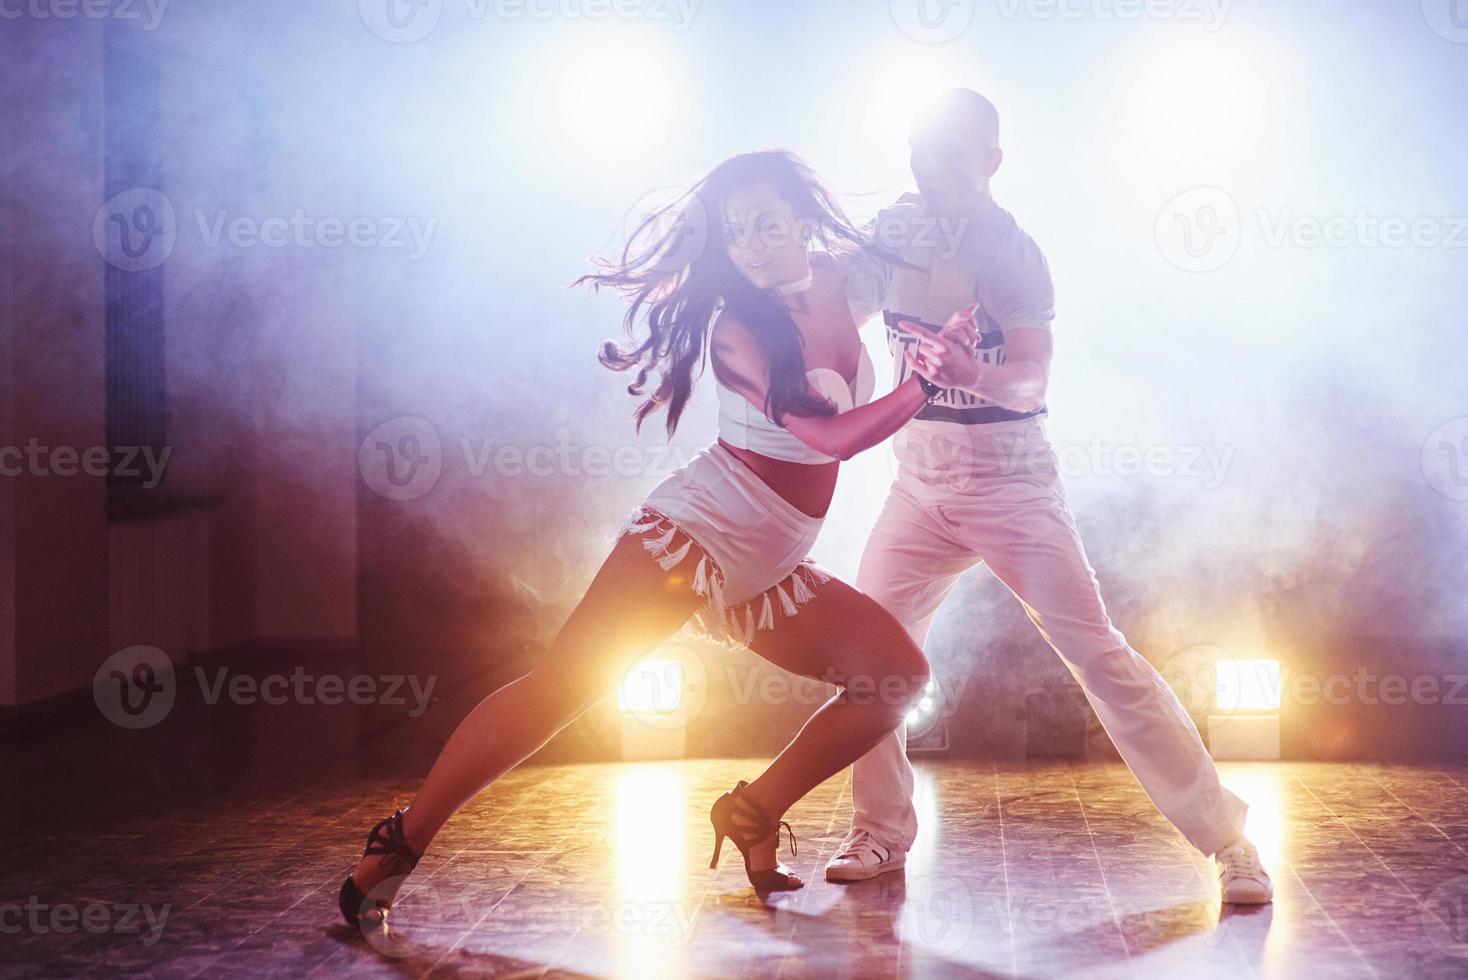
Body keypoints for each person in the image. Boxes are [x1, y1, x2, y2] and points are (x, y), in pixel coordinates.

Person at [339, 150, 939, 926]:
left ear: (802, 218)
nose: (752, 246)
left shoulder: (840, 280)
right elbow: (831, 440)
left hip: (773, 557)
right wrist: (925, 383)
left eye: (766, 224)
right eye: (735, 233)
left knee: (894, 677)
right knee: (566, 686)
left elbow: (920, 224)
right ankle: (399, 843)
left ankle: (754, 812)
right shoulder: (739, 334)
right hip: (696, 533)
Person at [828, 89, 1274, 905]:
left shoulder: (1014, 256)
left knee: (1101, 656)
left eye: (950, 159)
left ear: (992, 162)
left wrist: (975, 374)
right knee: (868, 657)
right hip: (919, 485)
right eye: (919, 156)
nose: (930, 174)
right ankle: (880, 831)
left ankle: (1230, 842)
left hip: (1010, 483)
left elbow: (1032, 377)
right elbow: (836, 312)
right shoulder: (893, 231)